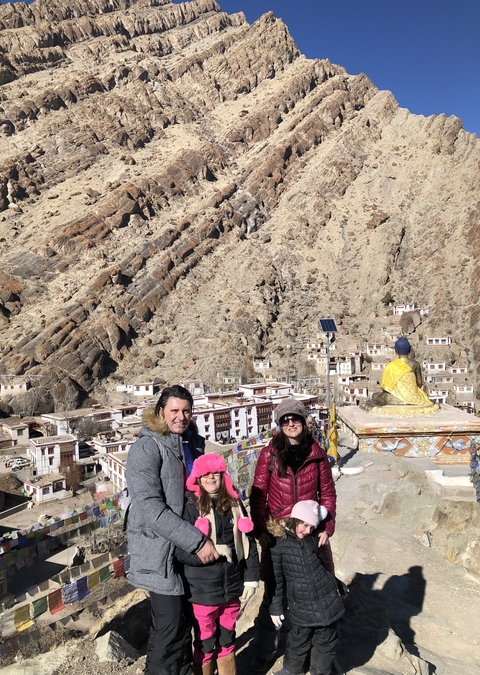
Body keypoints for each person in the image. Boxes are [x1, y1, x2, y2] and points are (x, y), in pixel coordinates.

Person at [126, 385, 219, 675]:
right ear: (160, 412)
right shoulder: (146, 449)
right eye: (174, 411)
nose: (181, 417)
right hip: (161, 550)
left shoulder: (191, 444)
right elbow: (150, 508)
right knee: (167, 628)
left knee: (186, 624)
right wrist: (196, 541)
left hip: (186, 549)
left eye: (186, 411)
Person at [249, 398, 337, 673]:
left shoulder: (316, 452)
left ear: (303, 421)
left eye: (295, 419)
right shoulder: (269, 455)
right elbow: (258, 495)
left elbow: (329, 493)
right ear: (279, 424)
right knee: (274, 593)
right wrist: (261, 530)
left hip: (310, 531)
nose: (290, 424)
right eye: (285, 420)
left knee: (317, 588)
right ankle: (265, 651)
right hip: (280, 533)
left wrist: (327, 526)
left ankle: (315, 656)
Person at [176, 453, 260, 675]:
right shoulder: (190, 507)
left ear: (223, 476)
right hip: (202, 592)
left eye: (215, 473)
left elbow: (248, 542)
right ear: (198, 478)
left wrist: (251, 579)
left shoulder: (235, 504)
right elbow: (180, 552)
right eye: (205, 474)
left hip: (232, 588)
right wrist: (211, 554)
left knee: (227, 639)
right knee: (204, 643)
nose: (211, 478)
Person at [268, 501, 345, 675]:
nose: (308, 531)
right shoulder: (279, 545)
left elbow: (322, 566)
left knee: (326, 640)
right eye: (305, 525)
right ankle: (292, 670)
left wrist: (336, 583)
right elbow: (277, 580)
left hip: (327, 599)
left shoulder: (312, 539)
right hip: (301, 603)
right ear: (295, 519)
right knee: (298, 640)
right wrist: (276, 606)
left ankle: (320, 671)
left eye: (312, 527)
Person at [371, 337, 433, 407]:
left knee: (375, 396)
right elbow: (419, 384)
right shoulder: (415, 364)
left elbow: (385, 388)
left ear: (396, 350)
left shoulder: (391, 365)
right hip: (413, 397)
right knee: (422, 394)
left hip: (394, 398)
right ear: (409, 349)